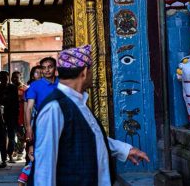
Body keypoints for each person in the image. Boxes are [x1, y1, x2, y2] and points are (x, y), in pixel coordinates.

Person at [30, 45, 149, 186]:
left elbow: (89, 137)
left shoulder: (77, 101)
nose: (94, 73)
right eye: (92, 69)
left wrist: (124, 150)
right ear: (85, 72)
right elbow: (44, 167)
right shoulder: (54, 107)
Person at [25, 57, 58, 143]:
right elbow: (29, 108)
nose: (47, 70)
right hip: (43, 123)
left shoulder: (63, 83)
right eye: (44, 68)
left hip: (61, 122)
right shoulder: (35, 85)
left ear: (55, 67)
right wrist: (28, 127)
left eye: (50, 67)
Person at [0, 70, 19, 163]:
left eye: (6, 78)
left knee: (11, 136)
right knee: (2, 136)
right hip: (0, 115)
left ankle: (10, 154)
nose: (4, 80)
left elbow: (15, 102)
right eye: (2, 78)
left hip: (11, 115)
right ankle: (3, 157)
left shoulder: (13, 87)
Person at [11, 71, 28, 161]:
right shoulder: (9, 88)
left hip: (21, 114)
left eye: (16, 77)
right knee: (13, 135)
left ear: (20, 78)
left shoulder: (24, 88)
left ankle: (20, 152)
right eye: (13, 77)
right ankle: (15, 151)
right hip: (11, 114)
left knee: (21, 134)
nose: (14, 79)